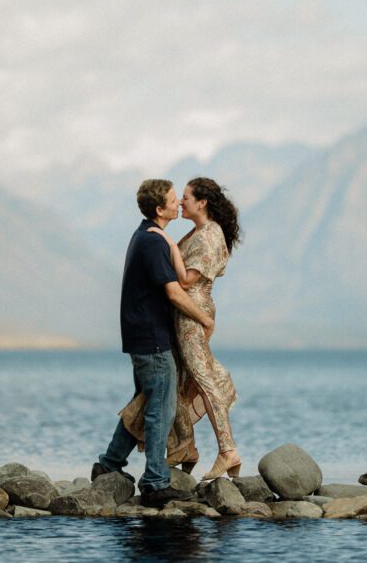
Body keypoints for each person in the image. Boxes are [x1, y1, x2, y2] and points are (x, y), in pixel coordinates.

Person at [93, 179, 215, 508]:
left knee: (147, 401)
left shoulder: (150, 236)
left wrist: (171, 244)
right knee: (160, 409)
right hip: (152, 338)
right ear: (160, 209)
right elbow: (174, 291)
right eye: (173, 201)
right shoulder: (152, 242)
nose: (179, 204)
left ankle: (109, 463)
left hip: (140, 336)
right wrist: (204, 319)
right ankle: (156, 482)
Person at [123, 176, 242, 482]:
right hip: (183, 313)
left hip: (193, 312)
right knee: (180, 380)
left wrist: (168, 244)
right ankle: (185, 446)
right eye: (179, 197)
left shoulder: (209, 234)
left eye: (186, 197)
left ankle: (227, 451)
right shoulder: (199, 231)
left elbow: (187, 281)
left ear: (202, 202)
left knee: (204, 378)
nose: (181, 202)